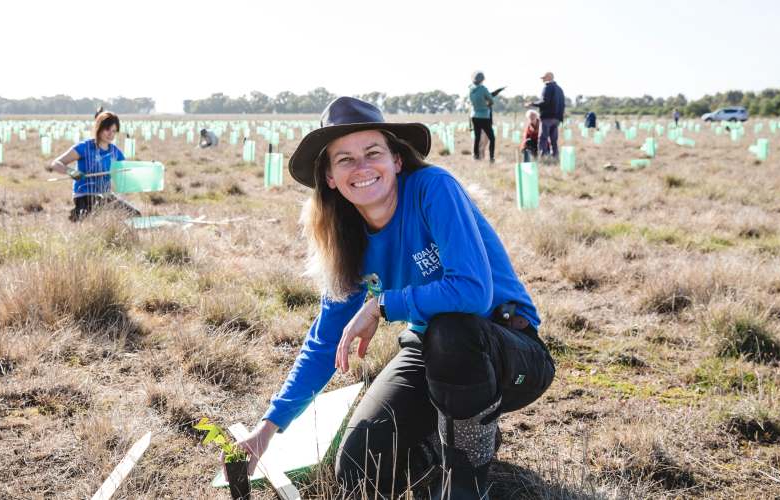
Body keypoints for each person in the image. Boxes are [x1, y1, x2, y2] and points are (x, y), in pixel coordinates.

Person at [236, 97, 555, 499]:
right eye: (345, 160)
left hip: (508, 350)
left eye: (373, 153)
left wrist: (383, 304)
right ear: (330, 177)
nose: (362, 167)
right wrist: (267, 429)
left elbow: (473, 292)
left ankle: (465, 483)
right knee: (357, 469)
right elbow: (326, 341)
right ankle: (446, 444)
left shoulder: (433, 188)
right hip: (430, 349)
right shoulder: (345, 237)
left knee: (451, 330)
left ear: (397, 160)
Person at [46, 111, 141, 222]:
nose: (111, 134)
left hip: (106, 195)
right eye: (107, 129)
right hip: (85, 195)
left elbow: (126, 171)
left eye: (114, 131)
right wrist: (72, 172)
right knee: (94, 219)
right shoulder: (84, 147)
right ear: (99, 128)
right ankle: (79, 216)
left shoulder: (115, 152)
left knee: (135, 215)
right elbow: (56, 164)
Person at [528, 72, 565, 160]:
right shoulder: (560, 89)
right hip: (557, 118)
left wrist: (532, 103)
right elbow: (563, 105)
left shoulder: (547, 87)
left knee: (543, 138)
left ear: (549, 77)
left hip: (547, 117)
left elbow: (544, 102)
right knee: (554, 140)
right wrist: (560, 118)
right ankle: (555, 156)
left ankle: (543, 157)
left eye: (544, 78)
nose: (543, 79)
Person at [469, 71, 496, 162]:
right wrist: (487, 105)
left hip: (474, 116)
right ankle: (491, 158)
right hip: (484, 116)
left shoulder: (471, 90)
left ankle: (476, 156)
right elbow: (491, 100)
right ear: (482, 79)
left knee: (477, 137)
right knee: (492, 138)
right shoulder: (483, 89)